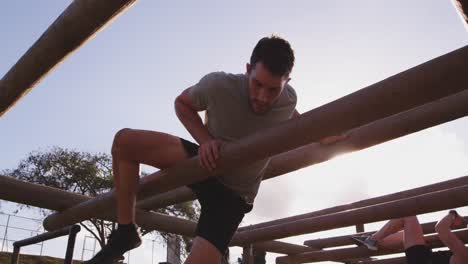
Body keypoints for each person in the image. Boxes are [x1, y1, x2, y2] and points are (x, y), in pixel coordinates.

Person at [85, 35, 304, 264]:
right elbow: (182, 103)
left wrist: (330, 133)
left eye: (272, 90)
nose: (262, 97)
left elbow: (296, 120)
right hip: (204, 162)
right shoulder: (218, 85)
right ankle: (125, 232)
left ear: (286, 82)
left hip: (233, 196)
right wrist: (205, 140)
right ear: (248, 69)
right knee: (124, 142)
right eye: (257, 84)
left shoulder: (288, 100)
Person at [352, 210, 468, 264]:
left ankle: (372, 239)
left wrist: (453, 215)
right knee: (412, 234)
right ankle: (373, 240)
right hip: (422, 257)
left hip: (421, 259)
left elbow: (441, 228)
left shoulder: (465, 255)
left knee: (408, 216)